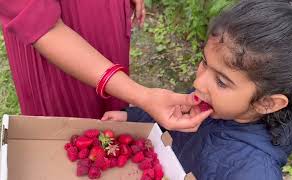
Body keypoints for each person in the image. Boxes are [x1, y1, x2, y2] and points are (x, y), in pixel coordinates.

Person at [102, 0, 292, 179]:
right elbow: (168, 115)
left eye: (222, 82)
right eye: (204, 62)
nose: (199, 83)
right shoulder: (212, 99)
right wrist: (132, 116)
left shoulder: (253, 172)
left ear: (266, 103)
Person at [0, 0, 212, 131]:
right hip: (53, 41)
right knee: (64, 132)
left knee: (112, 115)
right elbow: (40, 24)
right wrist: (143, 96)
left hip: (106, 18)